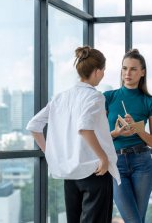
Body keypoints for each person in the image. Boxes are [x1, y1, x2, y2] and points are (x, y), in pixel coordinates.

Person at [26, 46, 121, 223]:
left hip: (70, 173)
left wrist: (50, 152)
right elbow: (84, 128)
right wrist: (103, 158)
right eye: (104, 71)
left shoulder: (61, 97)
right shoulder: (95, 97)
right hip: (95, 172)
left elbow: (34, 126)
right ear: (98, 71)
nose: (103, 75)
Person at [104, 48, 152, 223]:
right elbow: (98, 137)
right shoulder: (108, 97)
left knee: (137, 219)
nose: (127, 73)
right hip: (116, 164)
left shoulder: (149, 101)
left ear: (142, 72)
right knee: (134, 220)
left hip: (142, 164)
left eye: (133, 69)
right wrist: (116, 132)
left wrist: (138, 129)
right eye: (124, 68)